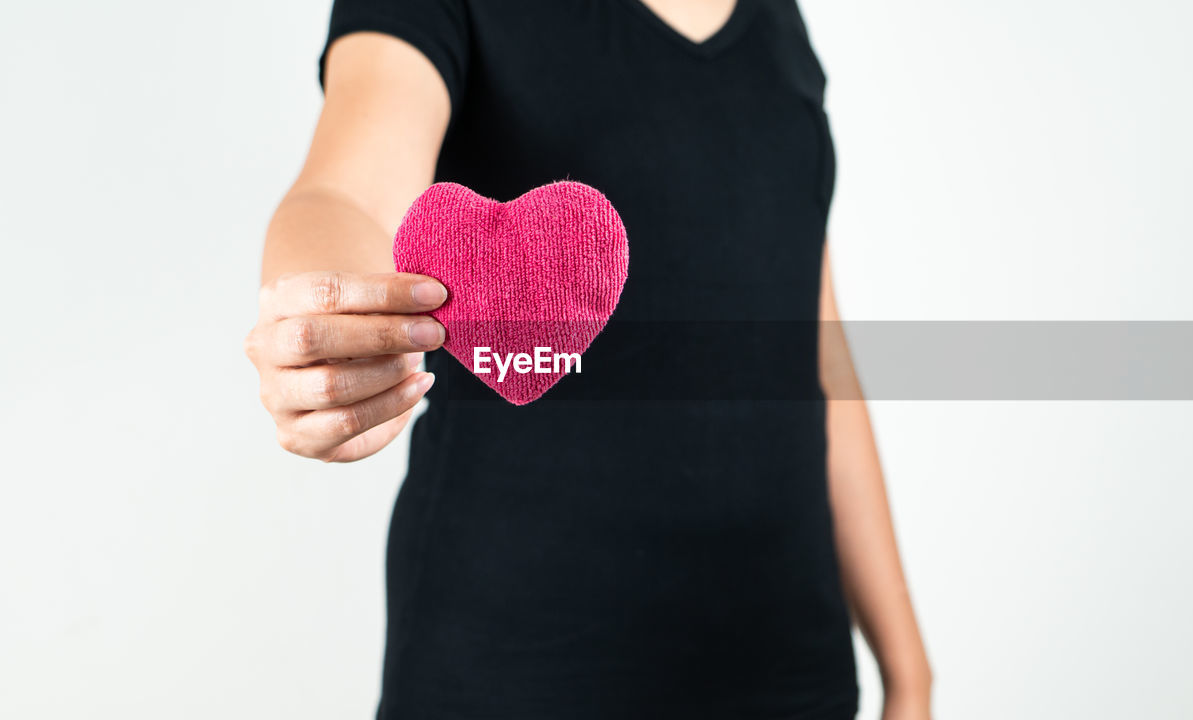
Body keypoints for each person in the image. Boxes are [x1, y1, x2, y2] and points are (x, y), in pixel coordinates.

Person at [243, 1, 931, 717]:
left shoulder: (781, 24)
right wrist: (322, 307)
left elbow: (812, 355)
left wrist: (908, 671)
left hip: (789, 666)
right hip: (516, 664)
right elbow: (345, 191)